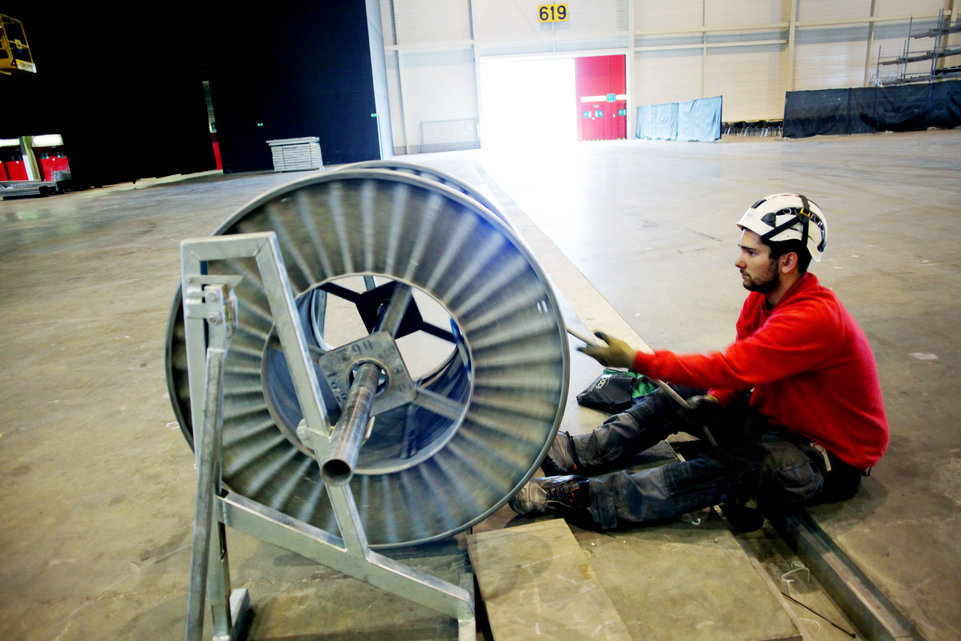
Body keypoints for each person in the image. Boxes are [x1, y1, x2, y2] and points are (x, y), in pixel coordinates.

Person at [510, 193, 889, 530]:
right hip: (775, 421)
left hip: (820, 458)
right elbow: (739, 375)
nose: (738, 261)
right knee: (685, 387)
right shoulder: (762, 300)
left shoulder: (813, 319)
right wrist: (716, 400)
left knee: (744, 465)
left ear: (788, 260)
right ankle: (580, 453)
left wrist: (639, 360)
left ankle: (587, 497)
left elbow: (734, 365)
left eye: (752, 253)